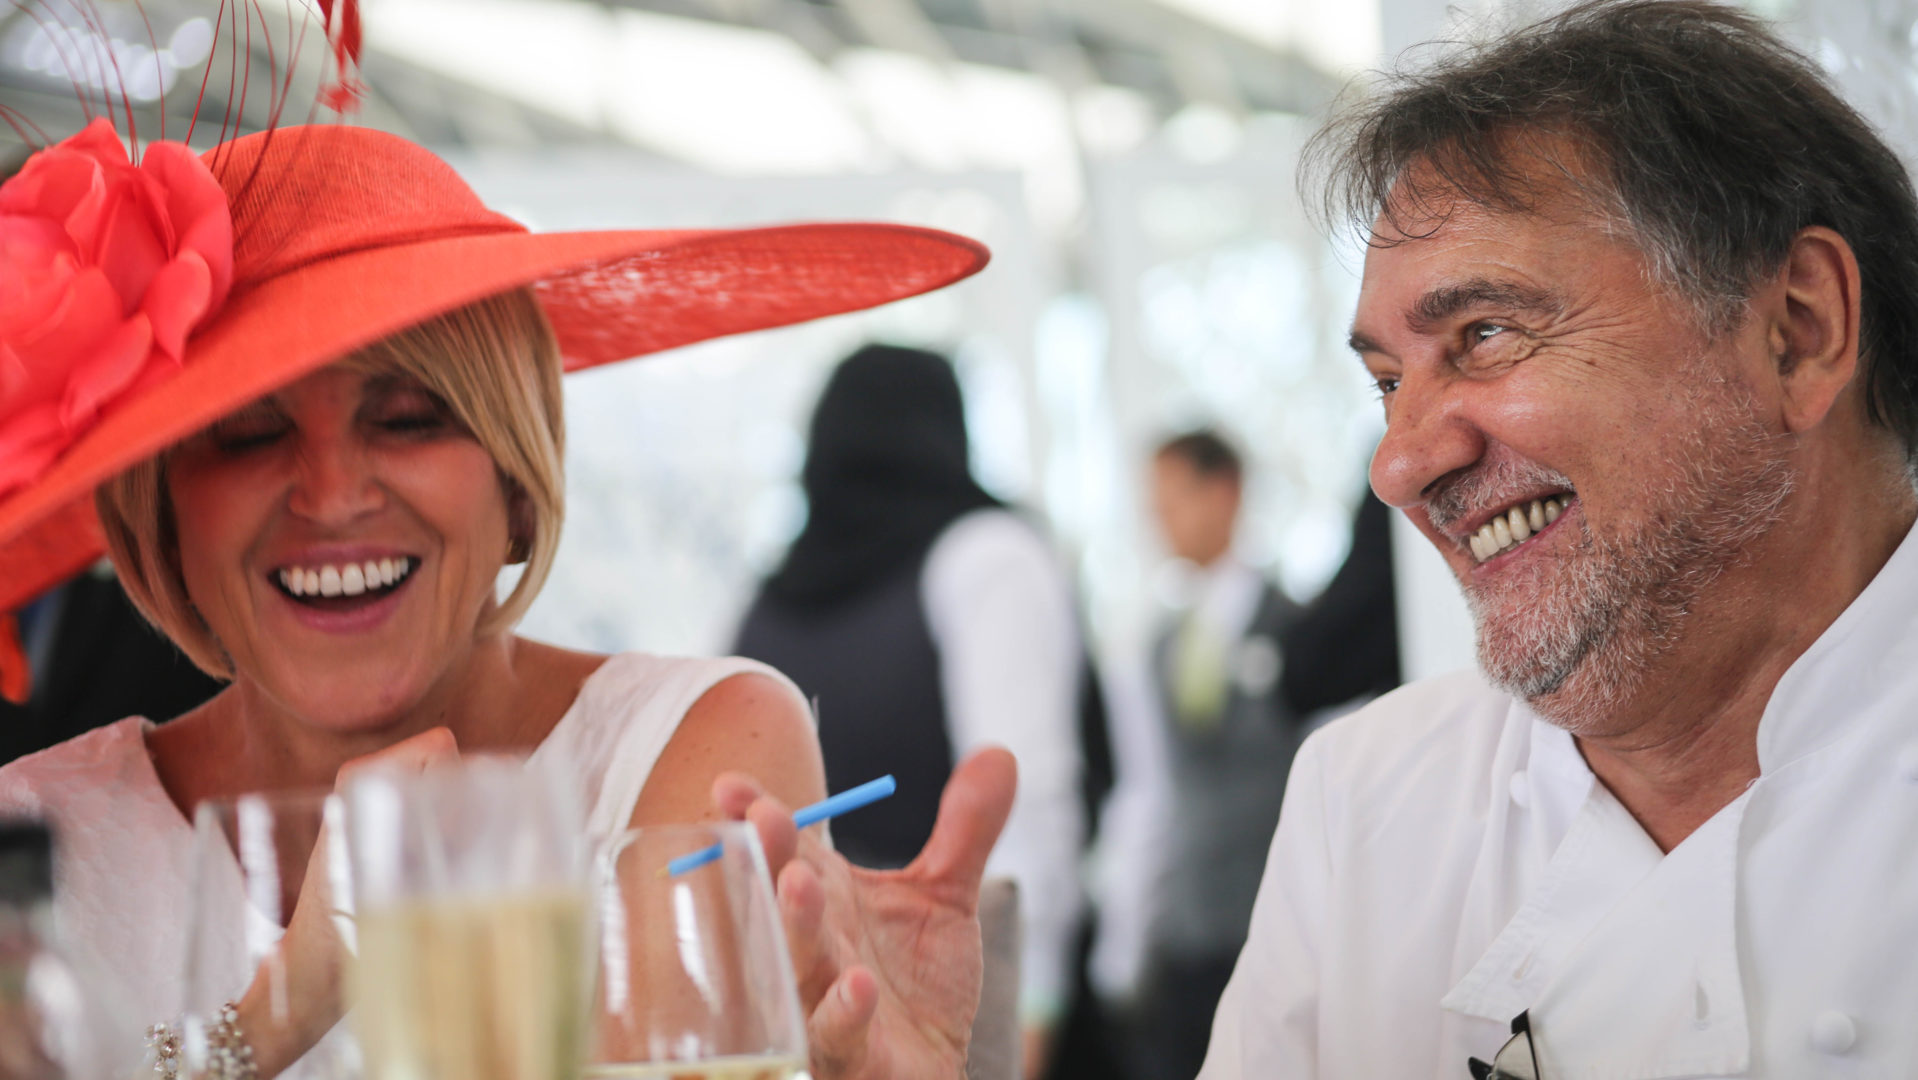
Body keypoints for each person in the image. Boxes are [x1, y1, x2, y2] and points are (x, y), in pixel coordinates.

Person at [0, 113, 1012, 1078]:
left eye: (406, 418)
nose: (335, 494)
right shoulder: (38, 832)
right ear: (163, 520)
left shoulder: (695, 746)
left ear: (518, 492)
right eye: (251, 434)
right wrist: (282, 1010)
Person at [1193, 0, 1918, 1075]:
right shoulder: (1369, 798)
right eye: (1387, 382)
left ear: (1797, 331)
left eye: (1482, 334)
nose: (1398, 466)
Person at [732, 343, 1089, 1079]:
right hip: (907, 1032)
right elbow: (1031, 807)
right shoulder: (990, 554)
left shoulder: (762, 605)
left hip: (865, 1027)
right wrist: (1029, 1023)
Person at [1094, 430, 1301, 1080]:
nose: (1160, 518)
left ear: (1225, 491)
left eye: (1174, 496)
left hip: (1276, 930)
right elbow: (1148, 792)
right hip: (1182, 941)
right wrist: (1122, 945)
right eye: (1152, 502)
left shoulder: (1300, 627)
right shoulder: (1155, 643)